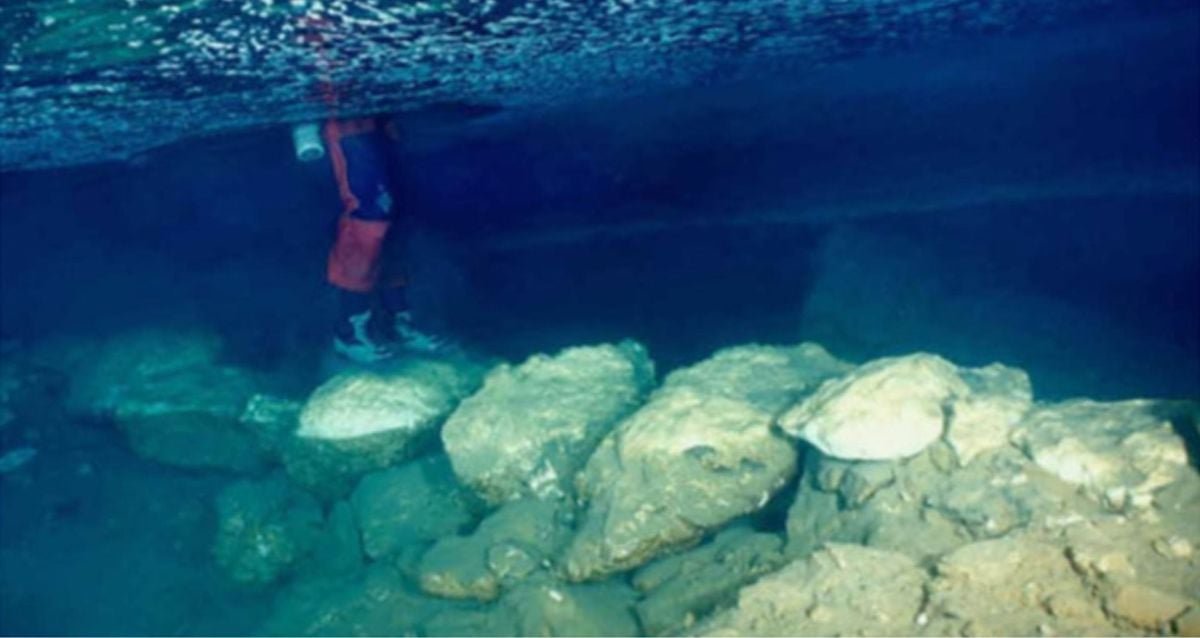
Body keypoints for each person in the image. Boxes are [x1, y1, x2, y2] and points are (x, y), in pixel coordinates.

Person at [319, 115, 450, 362]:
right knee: (368, 216)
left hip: (372, 121)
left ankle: (398, 319)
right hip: (347, 125)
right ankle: (348, 330)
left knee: (392, 216)